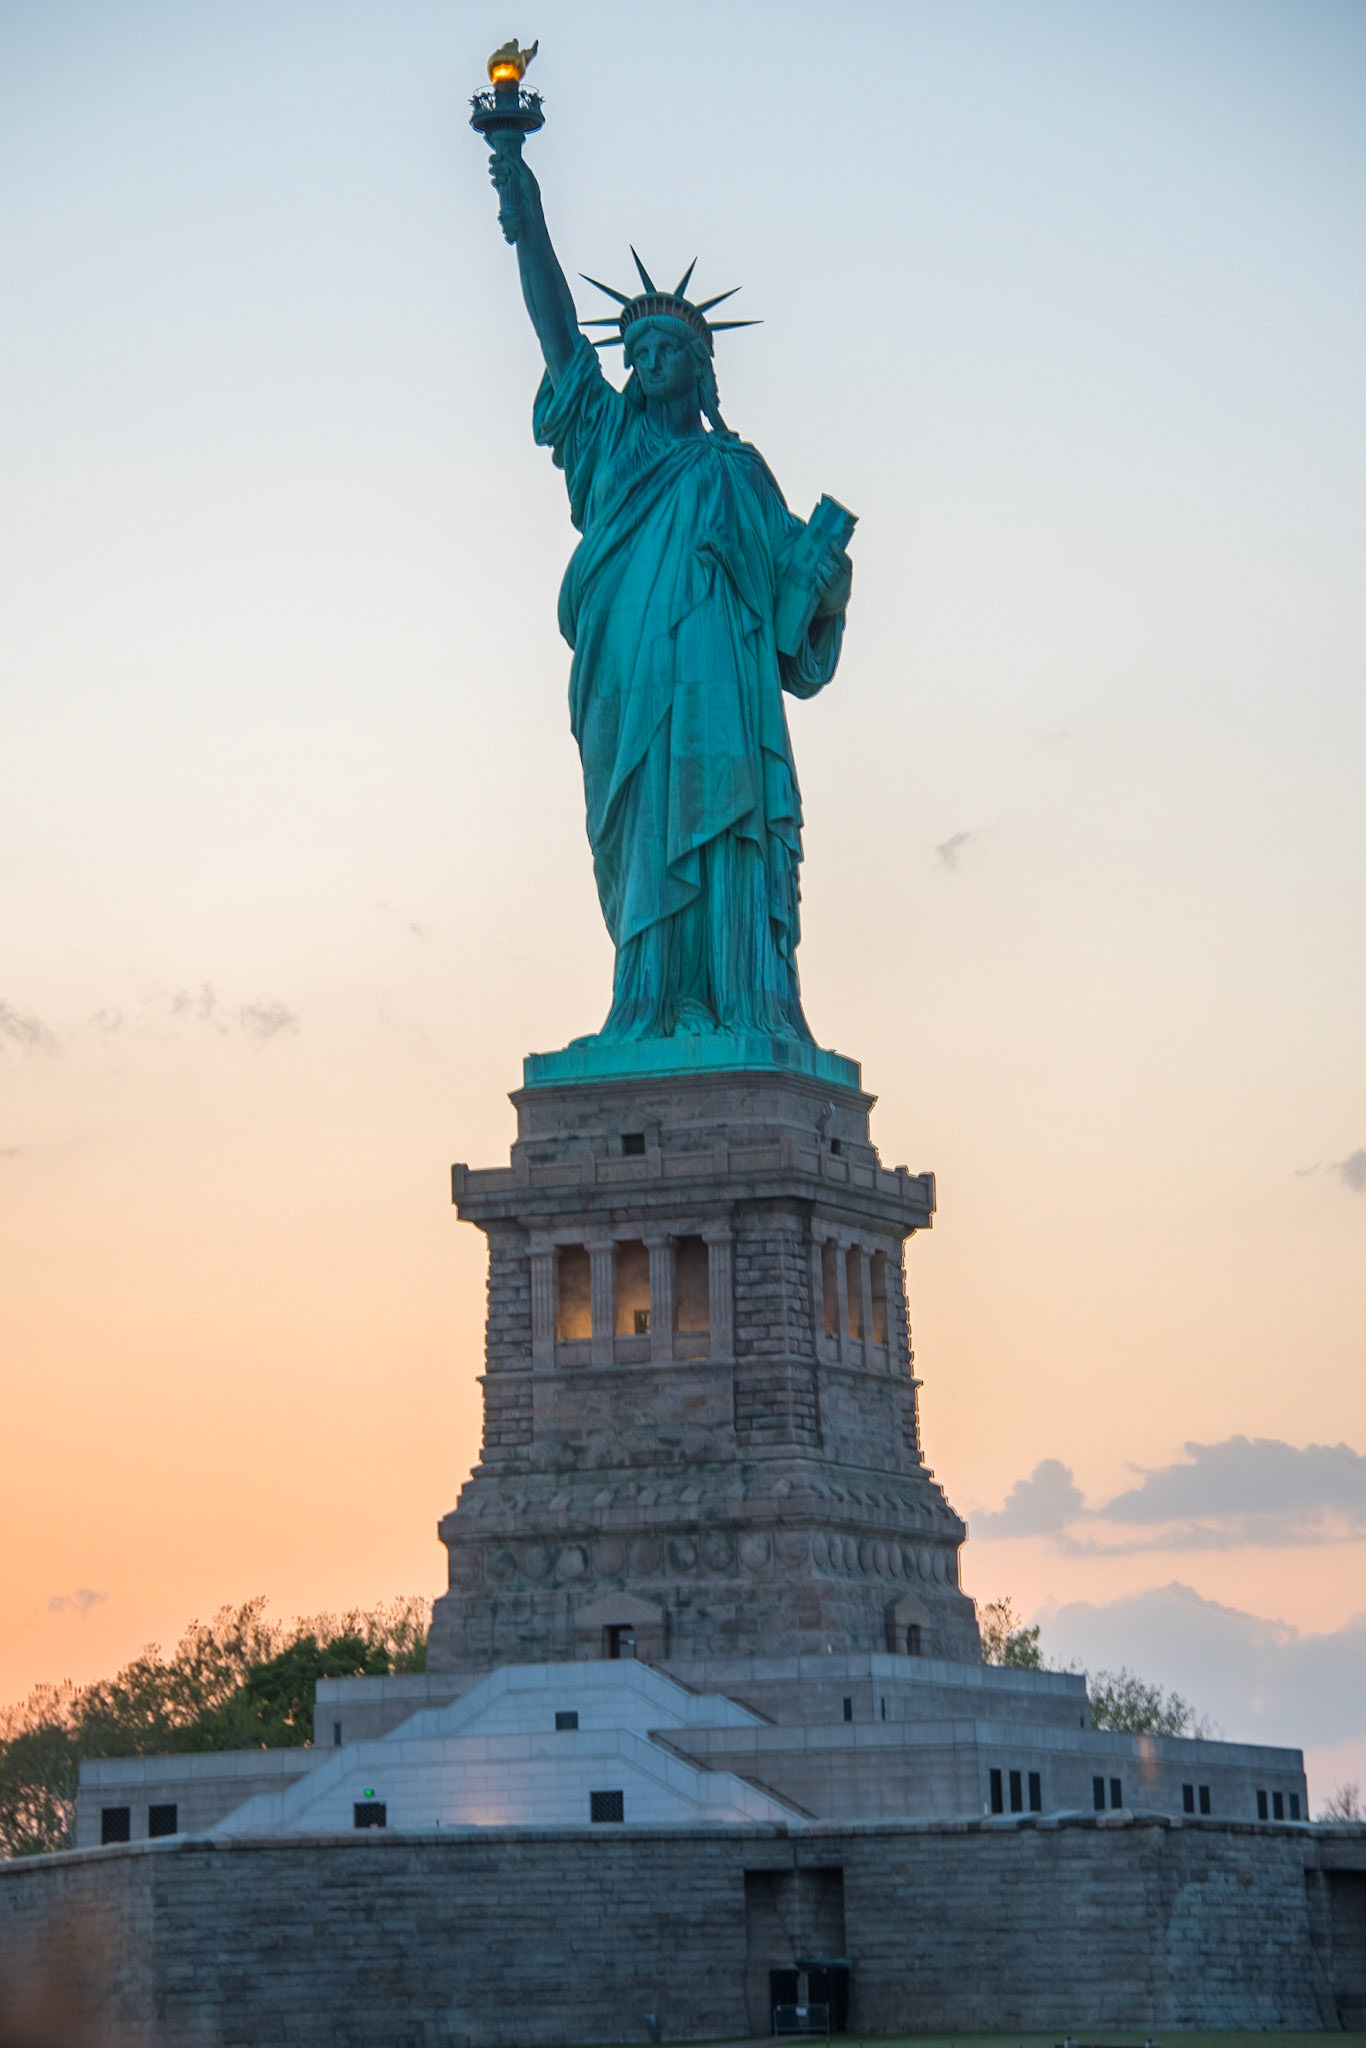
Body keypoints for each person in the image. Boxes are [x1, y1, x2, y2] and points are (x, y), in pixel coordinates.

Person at [488, 147, 853, 1043]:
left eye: (664, 350)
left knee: (722, 827)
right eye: (636, 350)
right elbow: (557, 332)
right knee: (642, 832)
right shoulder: (607, 440)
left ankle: (733, 1000)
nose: (646, 361)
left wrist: (823, 575)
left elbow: (784, 633)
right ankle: (648, 1002)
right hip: (630, 674)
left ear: (699, 366)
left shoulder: (736, 470)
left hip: (721, 691)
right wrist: (518, 189)